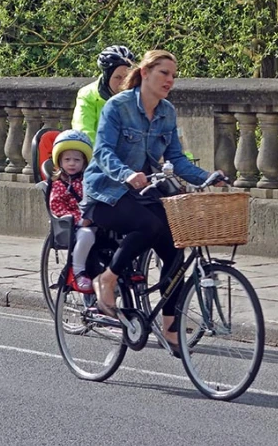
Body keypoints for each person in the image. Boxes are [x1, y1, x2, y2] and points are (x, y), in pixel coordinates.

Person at [82, 50, 223, 354]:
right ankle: (107, 280)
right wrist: (127, 174)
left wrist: (208, 177)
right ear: (145, 73)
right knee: (148, 224)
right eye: (164, 73)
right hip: (104, 192)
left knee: (175, 243)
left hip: (140, 193)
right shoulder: (117, 107)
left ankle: (171, 329)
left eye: (174, 75)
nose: (170, 80)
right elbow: (102, 152)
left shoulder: (167, 112)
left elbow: (176, 160)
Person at [49, 130, 97, 295]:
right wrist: (78, 219)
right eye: (67, 159)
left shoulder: (88, 180)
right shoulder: (59, 184)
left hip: (93, 219)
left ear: (84, 162)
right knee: (86, 235)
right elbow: (56, 206)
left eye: (77, 160)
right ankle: (78, 272)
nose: (72, 163)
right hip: (71, 225)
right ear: (60, 161)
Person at [71, 45, 136, 142]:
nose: (123, 82)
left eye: (127, 77)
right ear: (107, 77)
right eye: (117, 77)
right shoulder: (88, 95)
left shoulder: (137, 95)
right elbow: (83, 134)